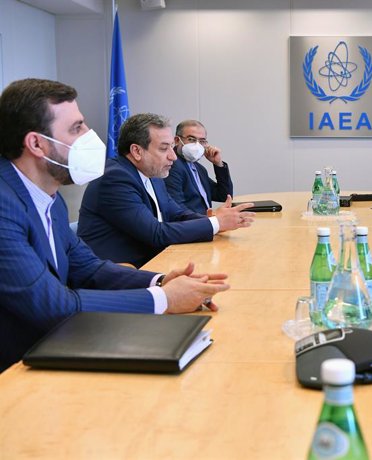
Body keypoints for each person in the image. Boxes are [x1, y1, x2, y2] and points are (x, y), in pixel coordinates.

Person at [0, 78, 230, 371]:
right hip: (13, 370)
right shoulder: (4, 205)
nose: (89, 136)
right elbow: (52, 307)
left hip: (53, 346)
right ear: (36, 143)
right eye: (76, 128)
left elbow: (89, 268)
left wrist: (160, 281)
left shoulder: (50, 198)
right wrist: (163, 299)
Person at [78, 113, 255, 268]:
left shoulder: (153, 175)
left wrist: (215, 220)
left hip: (154, 261)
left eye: (171, 147)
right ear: (137, 151)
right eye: (164, 148)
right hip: (121, 274)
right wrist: (216, 223)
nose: (172, 156)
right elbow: (156, 233)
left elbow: (177, 213)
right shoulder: (115, 179)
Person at [164, 119, 233, 214]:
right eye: (191, 139)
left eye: (202, 141)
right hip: (193, 225)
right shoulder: (171, 165)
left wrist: (218, 164)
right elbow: (177, 209)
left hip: (205, 224)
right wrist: (211, 221)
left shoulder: (199, 168)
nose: (197, 144)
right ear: (176, 140)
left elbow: (224, 196)